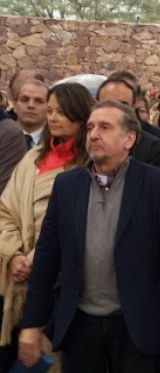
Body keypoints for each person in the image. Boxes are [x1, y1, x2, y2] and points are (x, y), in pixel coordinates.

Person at [16, 100, 160, 372]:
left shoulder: (158, 185)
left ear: (129, 138)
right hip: (79, 324)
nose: (93, 134)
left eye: (105, 127)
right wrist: (31, 324)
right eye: (90, 127)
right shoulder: (67, 186)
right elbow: (47, 258)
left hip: (136, 324)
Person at [0, 83, 93, 371]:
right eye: (50, 111)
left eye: (63, 113)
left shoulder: (87, 167)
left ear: (80, 118)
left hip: (61, 282)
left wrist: (34, 260)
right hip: (19, 279)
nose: (53, 118)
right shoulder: (31, 160)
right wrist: (14, 253)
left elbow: (78, 228)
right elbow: (5, 210)